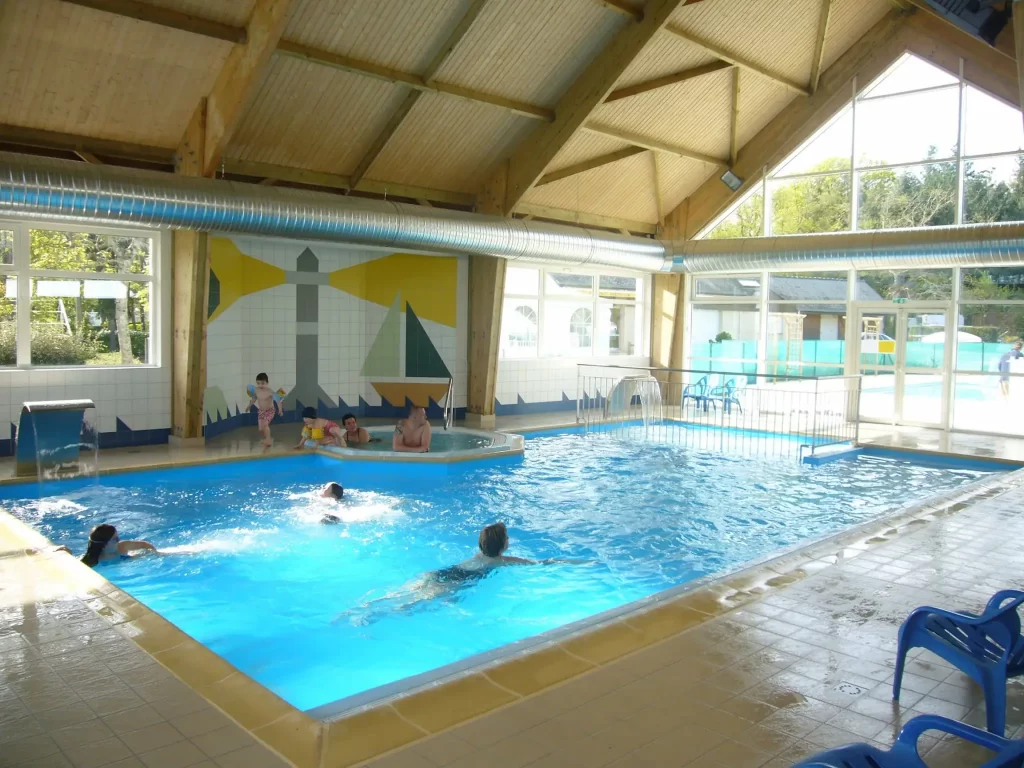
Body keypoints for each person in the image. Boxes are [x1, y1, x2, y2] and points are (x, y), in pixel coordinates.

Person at [338, 523, 589, 623]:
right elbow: (539, 564)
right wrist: (570, 562)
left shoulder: (477, 555)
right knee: (412, 605)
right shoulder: (501, 562)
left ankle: (359, 608)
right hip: (457, 581)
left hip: (443, 572)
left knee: (403, 593)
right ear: (503, 545)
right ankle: (374, 616)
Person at [78, 524, 156, 567]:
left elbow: (144, 544)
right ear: (104, 545)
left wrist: (155, 553)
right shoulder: (88, 564)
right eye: (115, 539)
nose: (119, 540)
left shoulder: (121, 546)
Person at [249, 373, 284, 447]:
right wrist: (249, 406)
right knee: (261, 429)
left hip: (270, 411)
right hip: (261, 411)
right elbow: (254, 398)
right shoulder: (256, 390)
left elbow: (278, 400)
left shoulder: (270, 392)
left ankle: (268, 440)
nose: (260, 385)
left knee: (265, 425)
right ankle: (267, 439)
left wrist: (280, 410)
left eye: (263, 383)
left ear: (267, 383)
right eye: (258, 383)